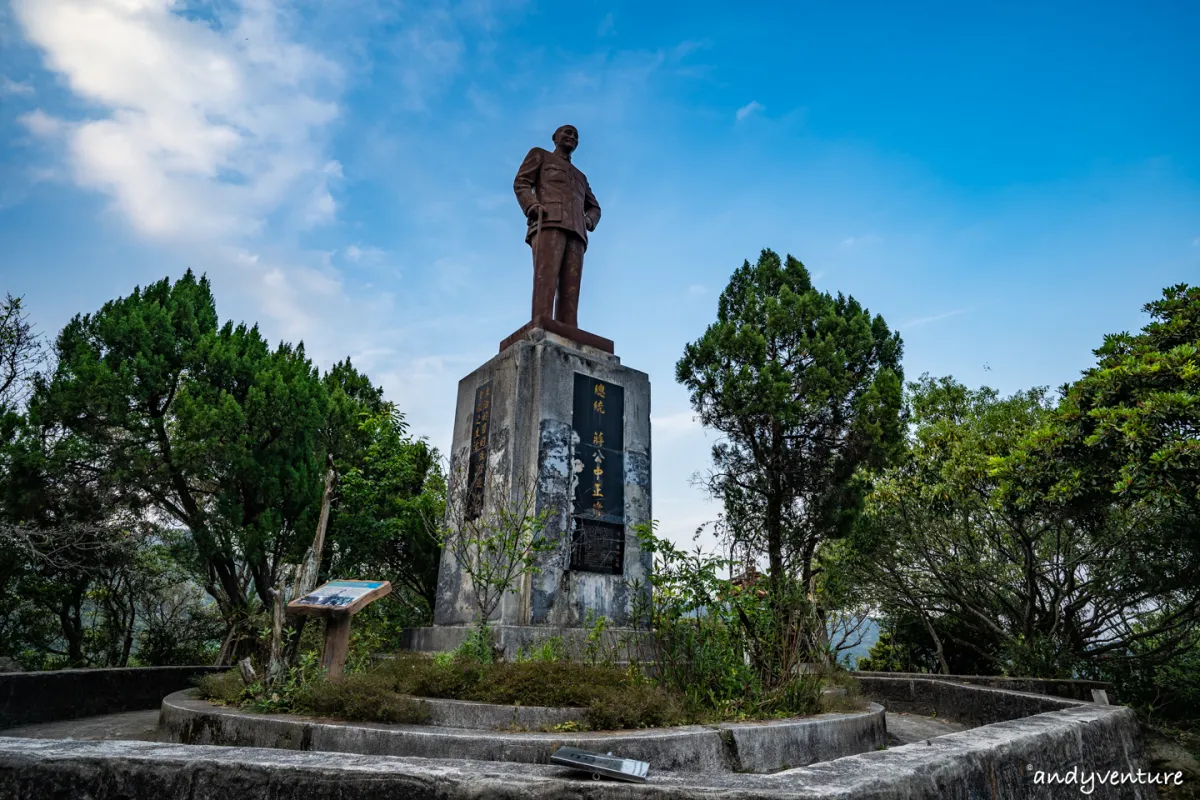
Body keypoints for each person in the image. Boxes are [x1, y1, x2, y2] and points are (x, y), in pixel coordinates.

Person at [512, 125, 601, 328]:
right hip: (549, 222)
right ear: (555, 137)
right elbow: (521, 182)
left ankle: (569, 331)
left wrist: (589, 220)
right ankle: (540, 325)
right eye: (567, 133)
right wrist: (531, 205)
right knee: (546, 279)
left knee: (571, 289)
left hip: (577, 231)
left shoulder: (580, 177)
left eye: (576, 136)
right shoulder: (540, 155)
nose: (572, 137)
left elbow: (595, 207)